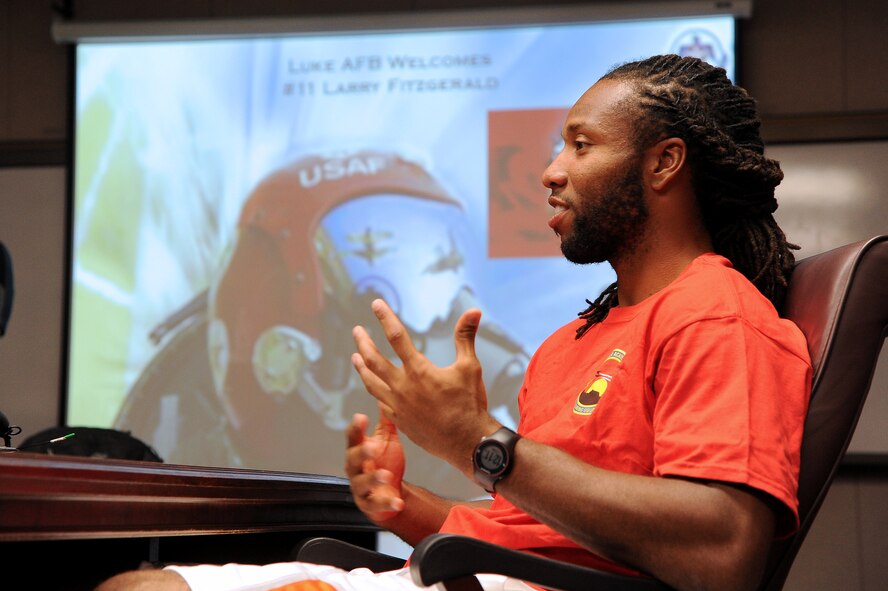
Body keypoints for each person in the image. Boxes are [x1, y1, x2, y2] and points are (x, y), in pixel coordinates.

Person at [95, 54, 812, 591]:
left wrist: (479, 441)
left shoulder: (717, 316)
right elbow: (533, 533)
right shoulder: (574, 341)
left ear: (664, 163)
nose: (551, 171)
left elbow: (726, 554)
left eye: (582, 145)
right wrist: (407, 506)